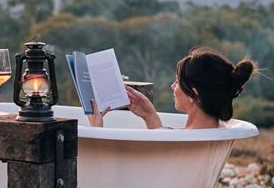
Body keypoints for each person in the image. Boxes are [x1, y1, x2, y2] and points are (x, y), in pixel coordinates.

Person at [89, 47, 256, 129]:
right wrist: (149, 115)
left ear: (193, 94)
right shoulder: (216, 131)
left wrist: (96, 129)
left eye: (177, 82)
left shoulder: (185, 141)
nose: (172, 86)